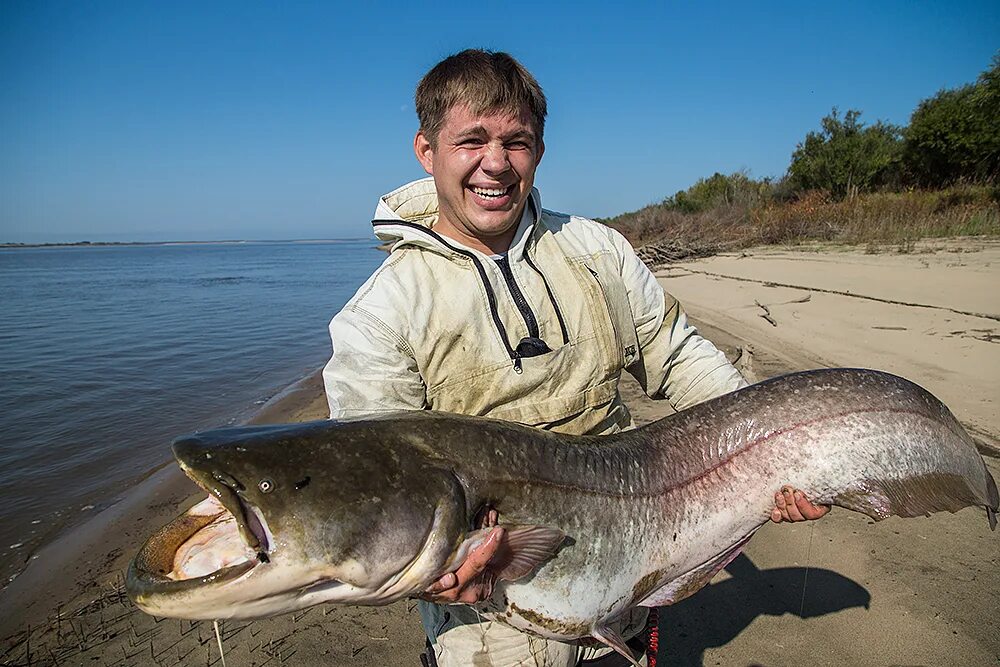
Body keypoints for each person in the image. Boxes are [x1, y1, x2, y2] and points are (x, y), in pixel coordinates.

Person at [322, 49, 828, 667]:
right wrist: (435, 571)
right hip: (489, 614)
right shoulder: (380, 312)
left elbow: (679, 357)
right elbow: (383, 481)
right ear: (426, 151)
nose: (496, 164)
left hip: (630, 564)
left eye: (517, 141)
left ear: (539, 149)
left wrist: (772, 455)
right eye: (471, 140)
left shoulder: (596, 250)